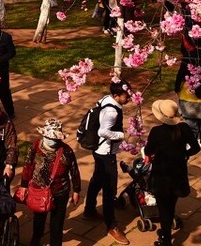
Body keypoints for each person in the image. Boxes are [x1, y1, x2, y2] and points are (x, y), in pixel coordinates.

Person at [143, 100, 201, 246]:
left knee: (163, 208)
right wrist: (184, 154)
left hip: (161, 176)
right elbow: (196, 148)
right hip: (178, 174)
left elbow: (149, 150)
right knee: (171, 204)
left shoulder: (157, 132)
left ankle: (166, 239)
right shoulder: (184, 129)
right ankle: (166, 230)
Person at [15, 119, 81, 246]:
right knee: (38, 220)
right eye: (49, 137)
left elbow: (74, 171)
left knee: (57, 224)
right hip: (38, 191)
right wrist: (24, 186)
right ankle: (36, 240)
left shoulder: (67, 151)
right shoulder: (35, 146)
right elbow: (28, 167)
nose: (52, 141)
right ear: (44, 135)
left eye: (55, 138)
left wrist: (76, 190)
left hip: (60, 192)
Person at [83, 79, 130, 245]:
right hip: (105, 154)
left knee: (97, 179)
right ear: (116, 96)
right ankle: (111, 225)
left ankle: (89, 210)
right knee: (110, 189)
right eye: (126, 96)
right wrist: (122, 135)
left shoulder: (106, 99)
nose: (129, 99)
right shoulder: (112, 112)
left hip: (99, 152)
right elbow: (104, 131)